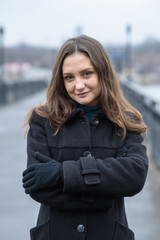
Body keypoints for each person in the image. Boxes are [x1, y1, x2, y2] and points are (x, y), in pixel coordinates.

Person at [22, 35, 148, 240]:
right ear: (61, 81)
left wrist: (62, 173)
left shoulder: (126, 121)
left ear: (103, 73)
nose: (78, 85)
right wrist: (105, 193)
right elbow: (37, 186)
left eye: (86, 74)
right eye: (69, 77)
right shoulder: (43, 120)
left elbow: (135, 176)